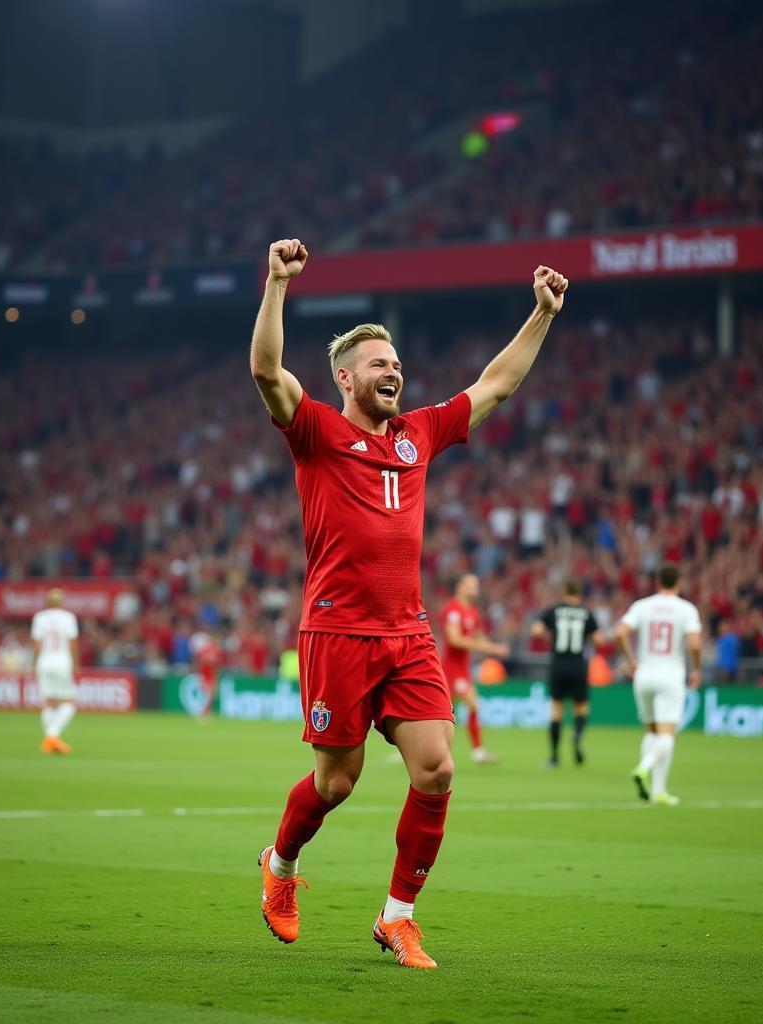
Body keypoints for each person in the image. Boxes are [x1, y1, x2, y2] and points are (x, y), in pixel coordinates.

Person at [250, 238, 567, 969]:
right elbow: (267, 370)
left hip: (408, 633)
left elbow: (496, 386)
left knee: (438, 769)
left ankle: (398, 917)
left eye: (396, 363)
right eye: (379, 365)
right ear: (345, 378)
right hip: (336, 632)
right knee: (336, 783)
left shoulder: (418, 434)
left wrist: (541, 315)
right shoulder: (317, 434)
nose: (394, 372)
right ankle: (281, 866)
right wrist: (276, 283)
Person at [616, 565, 702, 806]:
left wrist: (630, 660)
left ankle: (658, 791)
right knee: (667, 735)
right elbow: (695, 645)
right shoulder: (686, 609)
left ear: (657, 582)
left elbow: (620, 632)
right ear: (679, 582)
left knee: (653, 732)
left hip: (644, 675)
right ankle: (643, 769)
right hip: (670, 675)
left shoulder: (642, 606)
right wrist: (696, 668)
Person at [532, 579, 604, 767]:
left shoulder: (554, 610)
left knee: (556, 710)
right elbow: (599, 640)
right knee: (581, 707)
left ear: (564, 592)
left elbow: (536, 631)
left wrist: (551, 633)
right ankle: (577, 735)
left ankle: (554, 756)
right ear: (580, 593)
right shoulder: (587, 613)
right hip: (578, 664)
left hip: (558, 664)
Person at [440, 573, 509, 764]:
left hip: (463, 669)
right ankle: (475, 752)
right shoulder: (452, 609)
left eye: (476, 586)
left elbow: (478, 637)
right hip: (451, 669)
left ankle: (438, 751)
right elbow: (454, 640)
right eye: (470, 585)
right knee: (470, 705)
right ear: (460, 587)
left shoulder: (473, 612)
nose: (474, 590)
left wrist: (493, 647)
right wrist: (488, 647)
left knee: (446, 712)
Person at [30, 589, 80, 755]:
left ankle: (50, 739)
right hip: (62, 662)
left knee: (49, 702)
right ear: (61, 602)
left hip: (44, 662)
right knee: (68, 703)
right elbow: (73, 643)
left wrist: (34, 663)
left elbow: (36, 644)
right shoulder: (68, 617)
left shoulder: (40, 618)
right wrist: (76, 664)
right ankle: (52, 736)